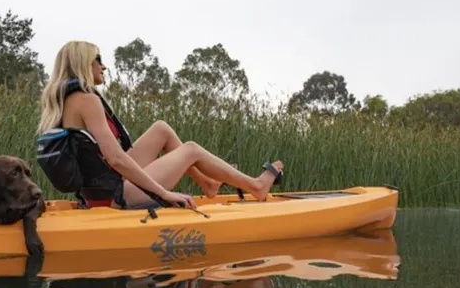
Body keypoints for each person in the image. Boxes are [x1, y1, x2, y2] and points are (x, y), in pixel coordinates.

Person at [36, 40, 284, 210]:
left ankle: (207, 183)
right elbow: (116, 159)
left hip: (98, 193)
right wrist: (164, 194)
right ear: (83, 63)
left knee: (161, 129)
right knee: (191, 149)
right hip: (116, 196)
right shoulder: (87, 101)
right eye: (97, 59)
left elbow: (109, 159)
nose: (103, 65)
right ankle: (256, 186)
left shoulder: (65, 101)